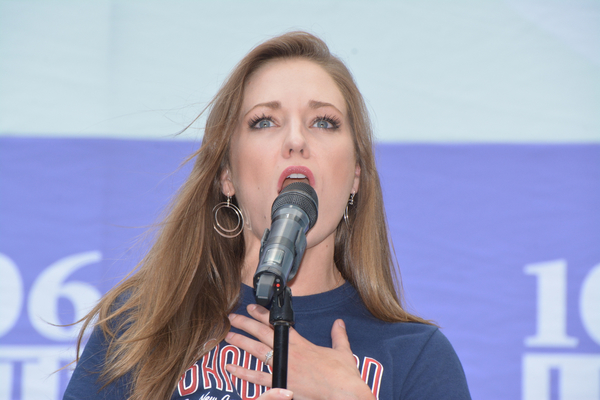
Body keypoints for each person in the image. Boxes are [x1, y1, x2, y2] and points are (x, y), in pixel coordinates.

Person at [63, 31, 471, 400]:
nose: (296, 140)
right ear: (227, 176)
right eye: (264, 122)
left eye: (324, 122)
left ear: (355, 178)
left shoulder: (418, 356)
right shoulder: (140, 328)